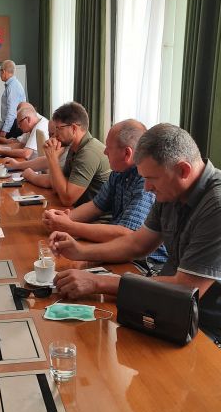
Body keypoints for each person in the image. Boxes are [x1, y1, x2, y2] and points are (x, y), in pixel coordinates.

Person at [49, 123, 221, 344]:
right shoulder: (170, 189)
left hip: (205, 326)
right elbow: (136, 244)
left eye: (151, 179)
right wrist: (80, 251)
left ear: (183, 170)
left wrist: (98, 282)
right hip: (168, 307)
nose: (146, 188)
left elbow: (187, 287)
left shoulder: (216, 205)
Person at [42, 119, 167, 263]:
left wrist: (70, 226)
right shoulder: (118, 172)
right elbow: (96, 206)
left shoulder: (146, 181)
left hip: (145, 263)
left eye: (109, 147)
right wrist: (61, 218)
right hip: (116, 249)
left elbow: (127, 236)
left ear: (127, 153)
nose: (104, 151)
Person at [26, 101, 110, 206]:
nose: (55, 135)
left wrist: (53, 158)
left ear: (74, 128)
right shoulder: (73, 147)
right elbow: (57, 186)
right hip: (77, 208)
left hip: (94, 215)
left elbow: (67, 199)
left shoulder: (88, 153)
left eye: (59, 128)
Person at [0, 59, 26, 138]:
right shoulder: (11, 85)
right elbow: (6, 111)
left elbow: (11, 112)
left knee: (6, 145)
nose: (0, 74)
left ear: (3, 71)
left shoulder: (13, 87)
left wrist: (4, 131)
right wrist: (0, 127)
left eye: (0, 72)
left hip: (14, 126)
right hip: (11, 124)